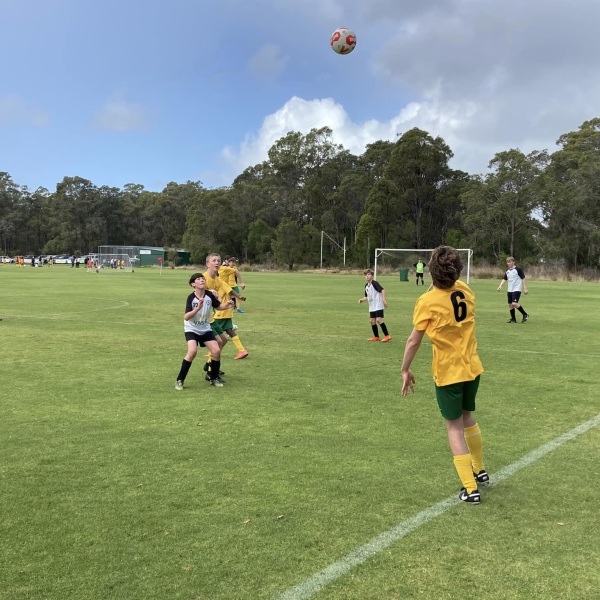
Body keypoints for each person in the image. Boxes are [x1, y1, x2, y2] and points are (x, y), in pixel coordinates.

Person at [400, 245, 488, 504]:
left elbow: (413, 341)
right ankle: (479, 470)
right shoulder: (466, 290)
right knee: (467, 416)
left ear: (431, 273)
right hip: (472, 367)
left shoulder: (427, 302)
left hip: (449, 372)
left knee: (454, 428)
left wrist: (405, 369)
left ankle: (470, 489)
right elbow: (448, 288)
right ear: (457, 270)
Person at [175, 273, 234, 390]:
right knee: (192, 352)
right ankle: (179, 380)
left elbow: (218, 306)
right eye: (198, 279)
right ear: (193, 284)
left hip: (205, 328)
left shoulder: (209, 295)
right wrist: (197, 308)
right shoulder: (191, 298)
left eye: (203, 279)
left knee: (216, 351)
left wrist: (226, 305)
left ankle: (213, 378)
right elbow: (186, 317)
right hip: (192, 329)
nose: (202, 280)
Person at [203, 253, 249, 360]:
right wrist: (239, 297)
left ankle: (211, 357)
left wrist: (238, 296)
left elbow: (229, 289)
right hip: (223, 310)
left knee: (216, 337)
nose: (216, 263)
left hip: (222, 311)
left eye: (218, 261)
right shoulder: (211, 278)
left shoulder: (220, 280)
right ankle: (241, 350)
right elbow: (230, 290)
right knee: (228, 331)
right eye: (214, 261)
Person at [358, 269, 391, 342]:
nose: (367, 276)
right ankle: (376, 337)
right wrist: (362, 300)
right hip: (372, 306)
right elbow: (367, 297)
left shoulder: (374, 283)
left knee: (378, 319)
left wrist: (384, 300)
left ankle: (387, 335)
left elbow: (382, 290)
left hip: (378, 304)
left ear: (372, 276)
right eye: (366, 275)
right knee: (372, 321)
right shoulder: (366, 286)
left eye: (369, 274)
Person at [497, 256, 529, 323]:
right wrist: (500, 286)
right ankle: (513, 319)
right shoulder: (507, 271)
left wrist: (525, 288)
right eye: (507, 262)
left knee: (514, 303)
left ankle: (525, 314)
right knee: (510, 305)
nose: (508, 263)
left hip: (516, 289)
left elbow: (523, 278)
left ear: (513, 262)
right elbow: (504, 279)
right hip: (510, 290)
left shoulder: (518, 269)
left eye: (510, 262)